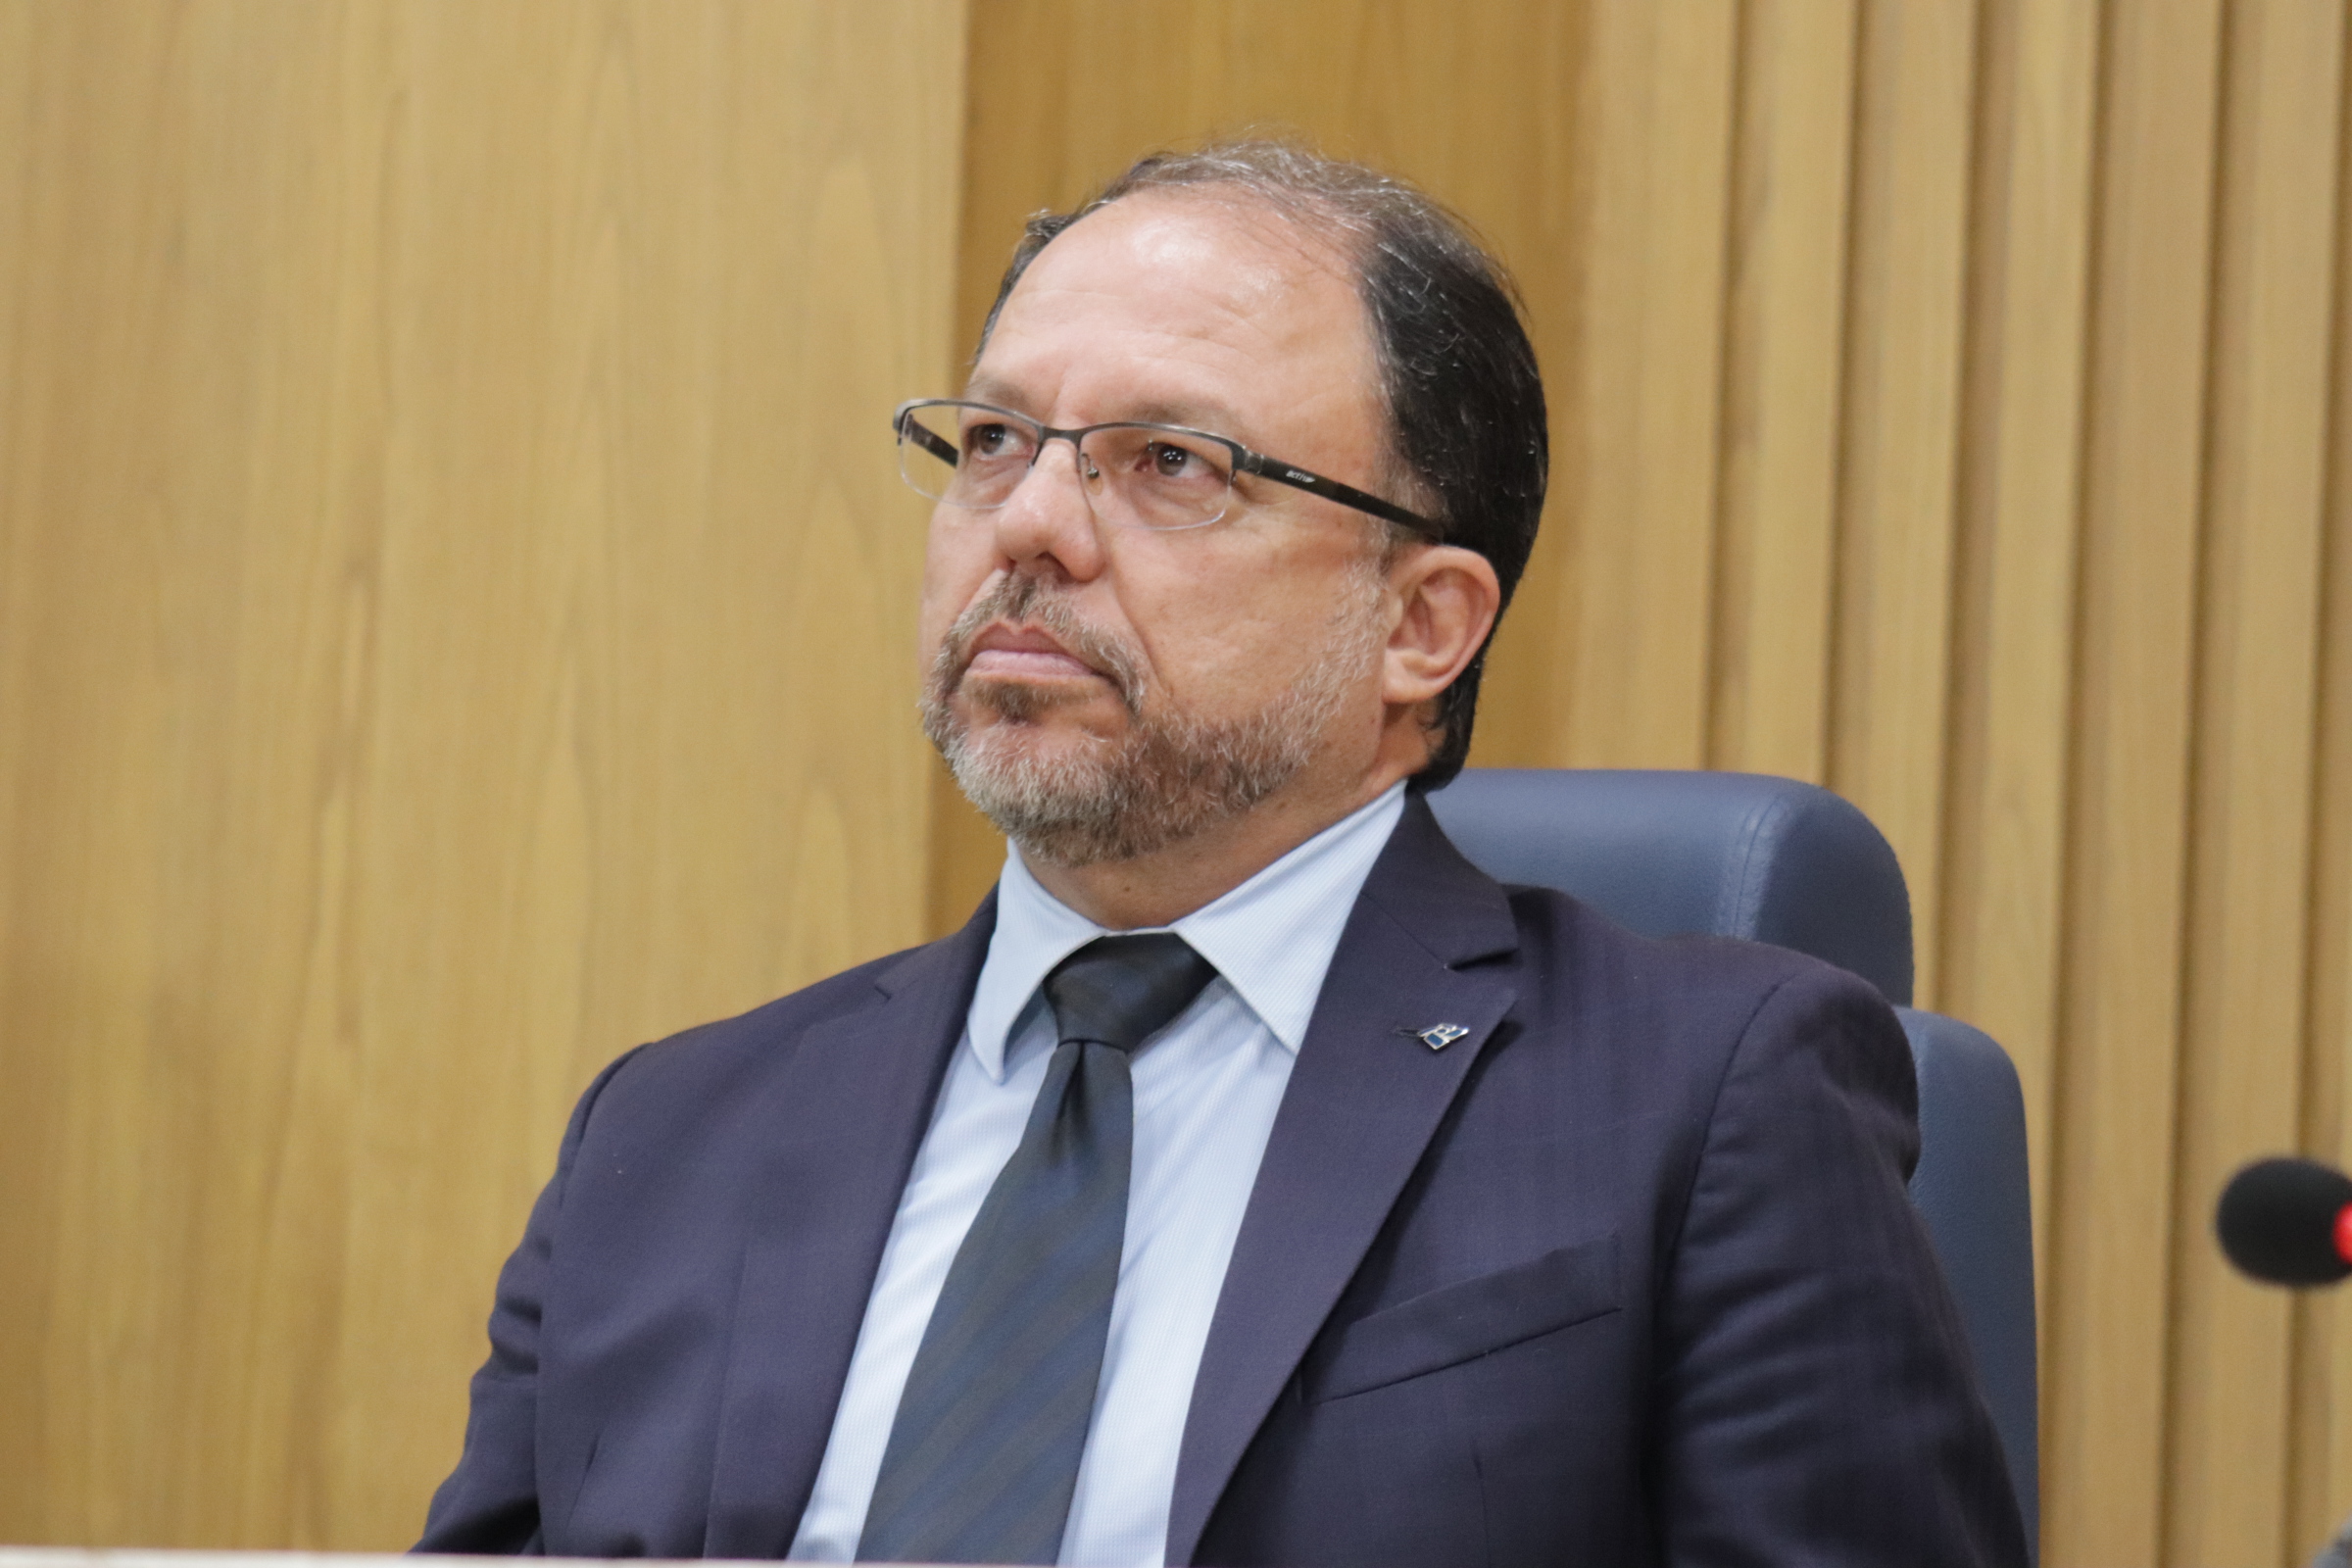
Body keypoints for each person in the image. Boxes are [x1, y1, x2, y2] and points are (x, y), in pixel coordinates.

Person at [416, 141, 2028, 1568]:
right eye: (996, 441)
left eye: (1171, 464)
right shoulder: (671, 1136)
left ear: (1421, 624)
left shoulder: (1701, 1097)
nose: (1031, 526)